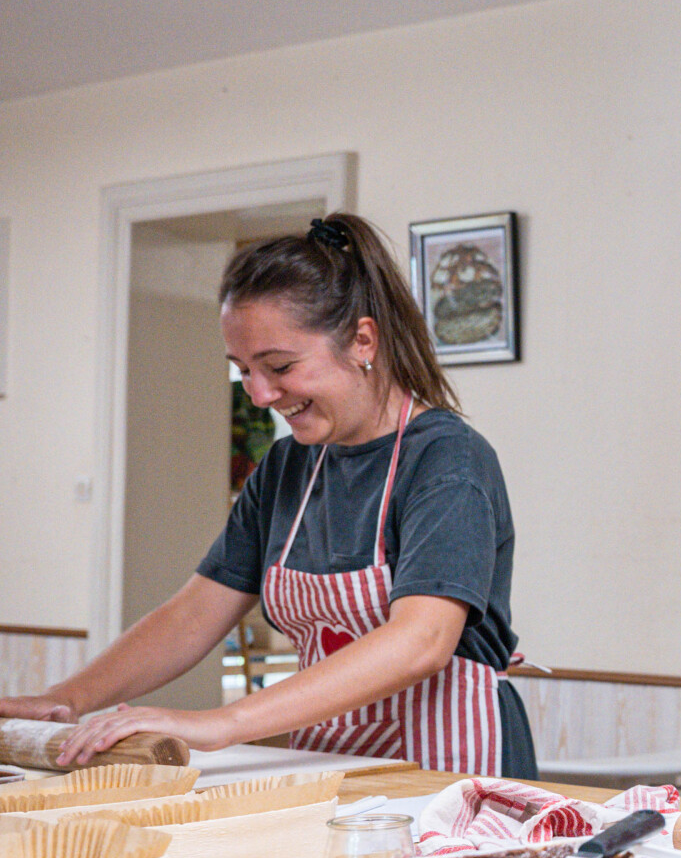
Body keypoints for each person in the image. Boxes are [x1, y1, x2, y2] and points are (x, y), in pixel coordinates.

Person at [0, 214, 537, 776]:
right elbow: (193, 614)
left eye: (279, 366)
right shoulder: (287, 468)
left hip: (451, 770)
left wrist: (219, 723)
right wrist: (66, 699)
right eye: (243, 371)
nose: (259, 395)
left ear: (362, 340)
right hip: (328, 765)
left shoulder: (447, 460)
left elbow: (421, 639)